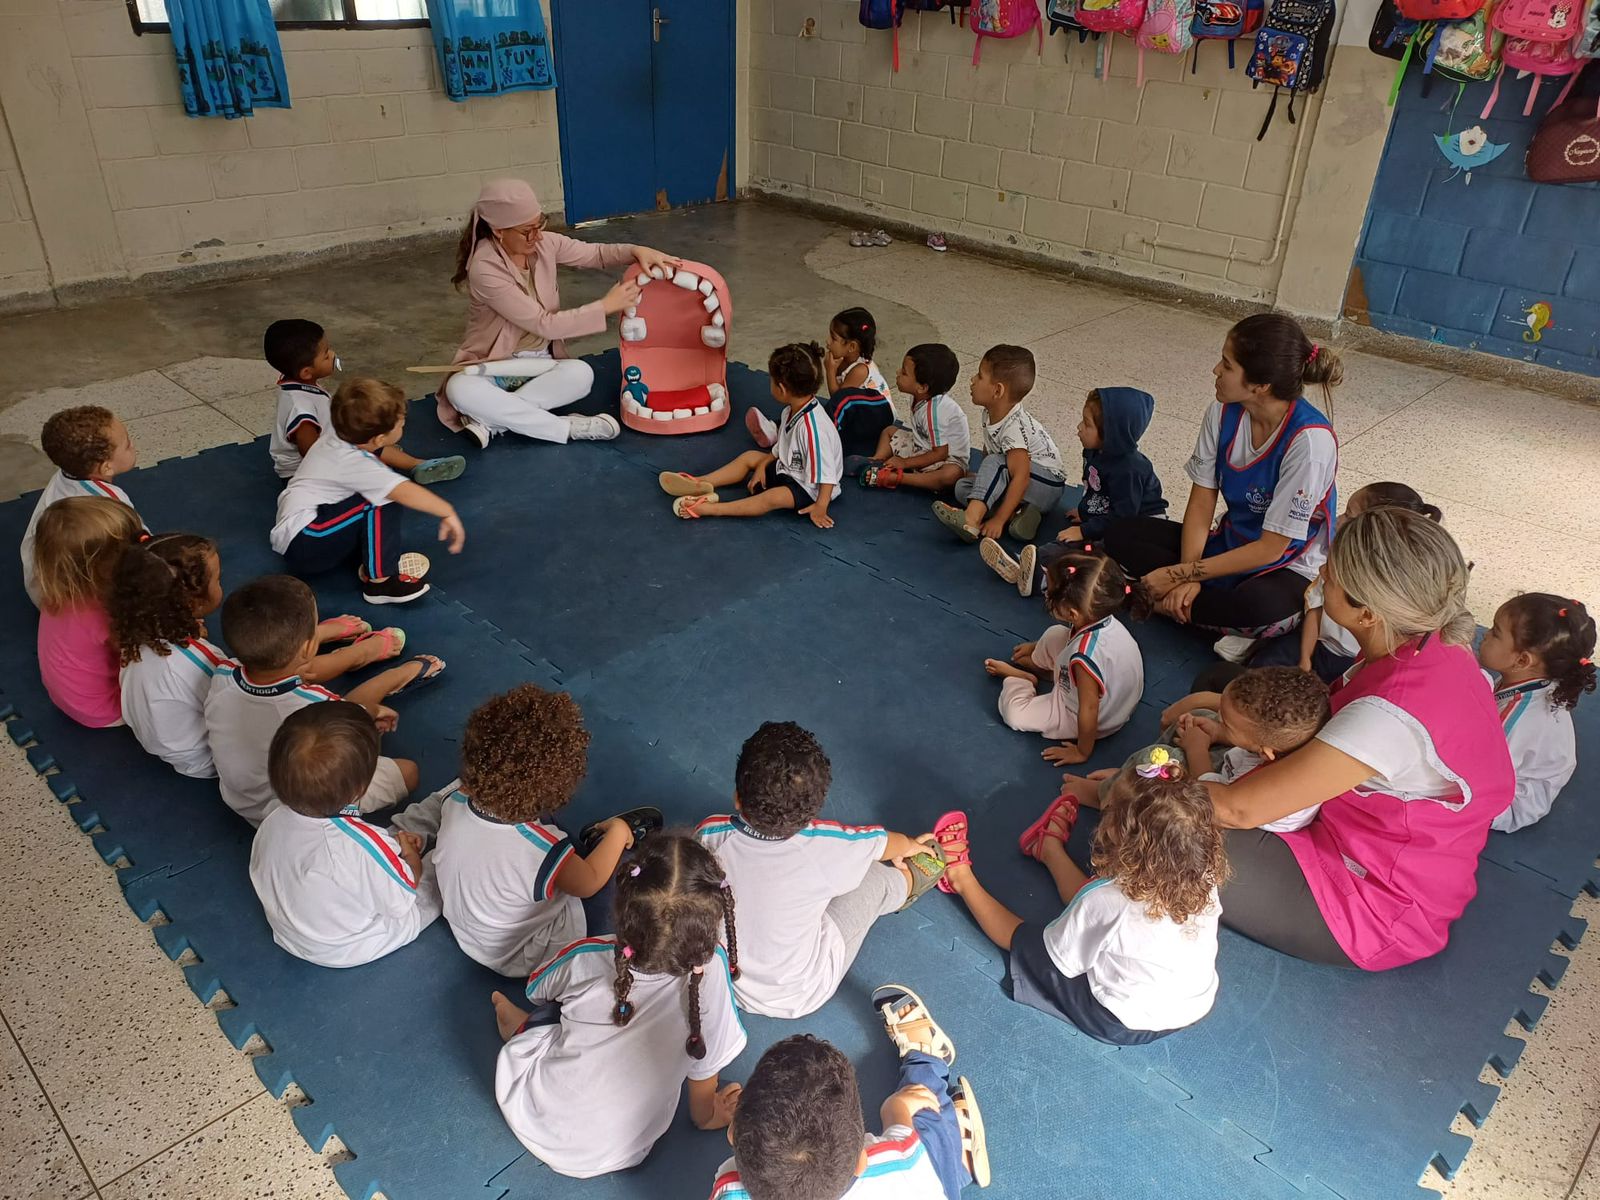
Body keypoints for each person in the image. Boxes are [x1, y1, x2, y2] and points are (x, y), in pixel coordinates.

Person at [1203, 508, 1515, 970]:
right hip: (1355, 828)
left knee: (1157, 825)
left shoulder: (1388, 715)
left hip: (1369, 905)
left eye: (1332, 575)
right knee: (1219, 687)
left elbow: (1234, 807)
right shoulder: (1436, 641)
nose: (1322, 572)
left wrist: (1159, 779)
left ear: (1366, 613)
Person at [490, 835, 745, 1179]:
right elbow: (703, 1066)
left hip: (531, 1109)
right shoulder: (711, 976)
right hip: (621, 1150)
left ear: (624, 909)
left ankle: (519, 1030)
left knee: (553, 1009)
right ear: (710, 924)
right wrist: (709, 1115)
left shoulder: (588, 954)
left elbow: (537, 987)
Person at [927, 754, 1227, 1046]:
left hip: (1118, 1022)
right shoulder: (1205, 871)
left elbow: (1061, 957)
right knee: (1100, 911)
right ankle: (1048, 848)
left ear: (1119, 832)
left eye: (1106, 811)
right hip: (1189, 1009)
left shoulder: (1108, 900)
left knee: (1027, 941)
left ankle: (959, 878)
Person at [1105, 313, 1341, 636]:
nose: (1216, 370)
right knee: (1120, 535)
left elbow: (1271, 549)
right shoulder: (1221, 411)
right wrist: (1187, 576)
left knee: (1258, 610)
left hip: (1286, 565)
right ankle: (1182, 606)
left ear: (1261, 385)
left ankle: (1141, 600)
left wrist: (1177, 576)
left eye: (1227, 366)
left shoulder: (1310, 443)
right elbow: (1202, 502)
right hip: (1231, 542)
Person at [694, 721, 945, 1019]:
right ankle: (906, 881)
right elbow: (883, 843)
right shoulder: (825, 844)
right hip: (800, 990)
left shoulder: (709, 833)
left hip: (725, 981)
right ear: (813, 813)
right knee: (874, 880)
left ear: (738, 797)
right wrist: (910, 846)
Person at [437, 178, 678, 447]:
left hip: (540, 362)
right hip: (495, 365)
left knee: (581, 374)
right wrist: (606, 306)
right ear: (498, 230)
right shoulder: (484, 268)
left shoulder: (544, 244)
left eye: (539, 224)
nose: (537, 236)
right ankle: (566, 428)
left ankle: (491, 422)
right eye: (527, 231)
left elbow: (595, 254)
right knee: (459, 389)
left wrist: (636, 250)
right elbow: (544, 325)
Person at [432, 684, 648, 976]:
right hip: (524, 953)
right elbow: (589, 883)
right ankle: (610, 835)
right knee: (626, 877)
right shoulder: (541, 848)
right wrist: (621, 831)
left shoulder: (452, 800)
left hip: (470, 933)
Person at [203, 575, 440, 827]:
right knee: (408, 772)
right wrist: (373, 710)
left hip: (239, 797)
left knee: (289, 671)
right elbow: (353, 714)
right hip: (295, 809)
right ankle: (391, 674)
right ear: (308, 648)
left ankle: (355, 652)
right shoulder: (315, 703)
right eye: (316, 631)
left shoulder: (224, 671)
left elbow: (298, 670)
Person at [712, 999, 990, 1200]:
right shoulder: (898, 1163)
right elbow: (904, 1137)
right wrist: (897, 1108)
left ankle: (960, 1163)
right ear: (861, 1161)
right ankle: (928, 1060)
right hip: (919, 1184)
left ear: (733, 1132)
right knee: (924, 1119)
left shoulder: (728, 1187)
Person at [248, 702, 442, 967]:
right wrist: (411, 858)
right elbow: (402, 899)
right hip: (350, 945)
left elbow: (354, 850)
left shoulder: (273, 817)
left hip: (294, 933)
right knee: (440, 868)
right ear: (362, 788)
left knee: (381, 844)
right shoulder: (362, 844)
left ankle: (441, 809)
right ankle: (450, 806)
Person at [1215, 481, 1444, 677]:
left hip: (1352, 661)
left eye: (1349, 515)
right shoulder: (1338, 563)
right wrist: (1305, 658)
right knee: (1267, 666)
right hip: (1316, 643)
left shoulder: (1395, 602)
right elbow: (1314, 610)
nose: (1338, 519)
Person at [270, 377, 466, 605]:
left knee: (375, 491)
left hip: (306, 533)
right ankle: (380, 584)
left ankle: (369, 559)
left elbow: (379, 455)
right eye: (401, 424)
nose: (404, 426)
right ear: (380, 438)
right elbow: (404, 492)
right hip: (306, 542)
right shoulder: (354, 462)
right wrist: (447, 511)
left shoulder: (340, 434)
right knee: (384, 496)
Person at [1070, 666, 1331, 833]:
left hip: (1220, 817)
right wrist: (1219, 732)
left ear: (1266, 752)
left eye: (1227, 724)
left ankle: (1104, 797)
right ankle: (1132, 777)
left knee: (1155, 759)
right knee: (1200, 716)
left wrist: (1197, 748)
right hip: (1226, 774)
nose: (1220, 720)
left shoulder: (1268, 782)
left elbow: (1212, 798)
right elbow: (1244, 750)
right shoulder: (1283, 744)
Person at [980, 388, 1165, 597]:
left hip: (1137, 529)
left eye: (1087, 424)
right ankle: (1026, 566)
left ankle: (1042, 580)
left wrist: (1086, 530)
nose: (1079, 428)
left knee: (1094, 556)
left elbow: (1123, 518)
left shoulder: (1129, 470)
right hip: (1113, 517)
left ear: (1112, 434)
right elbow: (1097, 488)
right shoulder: (1096, 450)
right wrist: (1086, 511)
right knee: (1069, 545)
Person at [983, 548, 1145, 765]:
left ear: (1072, 614)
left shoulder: (1083, 658)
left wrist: (1081, 752)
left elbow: (1088, 710)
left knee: (1014, 714)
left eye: (1049, 593)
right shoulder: (1102, 616)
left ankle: (1023, 679)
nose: (1045, 594)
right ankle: (1046, 668)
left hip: (1095, 716)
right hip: (1118, 697)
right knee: (1054, 634)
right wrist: (1036, 646)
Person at [263, 318, 464, 485]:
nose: (332, 355)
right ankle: (403, 469)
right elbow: (312, 454)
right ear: (306, 372)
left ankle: (417, 465)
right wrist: (351, 458)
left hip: (328, 447)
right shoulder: (300, 408)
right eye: (326, 356)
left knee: (370, 442)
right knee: (370, 448)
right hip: (305, 474)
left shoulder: (300, 385)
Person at [661, 344, 843, 528]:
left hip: (811, 489)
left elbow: (827, 476)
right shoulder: (791, 411)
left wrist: (821, 507)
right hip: (790, 469)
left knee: (771, 498)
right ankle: (701, 482)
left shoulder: (814, 429)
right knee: (750, 457)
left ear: (782, 388)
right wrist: (763, 465)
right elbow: (783, 447)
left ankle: (711, 509)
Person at [111, 533, 231, 777]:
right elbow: (236, 701)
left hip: (165, 742)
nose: (221, 584)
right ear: (192, 603)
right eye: (218, 580)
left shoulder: (137, 632)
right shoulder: (202, 660)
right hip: (206, 759)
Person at [1478, 594, 1594, 833]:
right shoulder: (1527, 677)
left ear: (1522, 660)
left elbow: (1480, 776)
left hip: (1509, 804)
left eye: (1495, 632)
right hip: (1506, 763)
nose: (1486, 635)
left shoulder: (1516, 719)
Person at [931, 346, 1064, 546]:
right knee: (962, 488)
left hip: (1047, 484)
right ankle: (1021, 516)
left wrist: (998, 520)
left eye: (980, 376)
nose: (972, 380)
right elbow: (990, 452)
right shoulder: (990, 413)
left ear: (998, 390)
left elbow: (1021, 476)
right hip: (1027, 483)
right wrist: (984, 480)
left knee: (997, 463)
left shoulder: (1013, 427)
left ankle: (972, 521)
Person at [33, 497, 143, 728]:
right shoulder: (104, 612)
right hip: (104, 710)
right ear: (99, 566)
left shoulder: (56, 590)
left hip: (63, 696)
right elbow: (137, 650)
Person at [21, 405, 142, 607]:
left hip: (43, 590)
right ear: (106, 467)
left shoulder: (64, 475)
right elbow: (143, 547)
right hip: (75, 602)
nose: (133, 444)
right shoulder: (110, 500)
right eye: (128, 444)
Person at [749, 307, 894, 461]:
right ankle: (777, 430)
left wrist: (830, 371)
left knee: (839, 404)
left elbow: (839, 397)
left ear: (851, 347)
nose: (827, 342)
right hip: (859, 417)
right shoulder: (843, 361)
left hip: (880, 412)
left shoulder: (860, 369)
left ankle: (824, 443)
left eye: (833, 338)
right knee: (815, 408)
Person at [853, 343, 971, 495]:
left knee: (950, 475)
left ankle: (897, 478)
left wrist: (904, 462)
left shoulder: (935, 412)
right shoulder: (919, 397)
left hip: (945, 459)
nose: (898, 372)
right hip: (923, 448)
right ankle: (877, 461)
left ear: (922, 387)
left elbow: (940, 453)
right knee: (889, 431)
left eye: (904, 372)